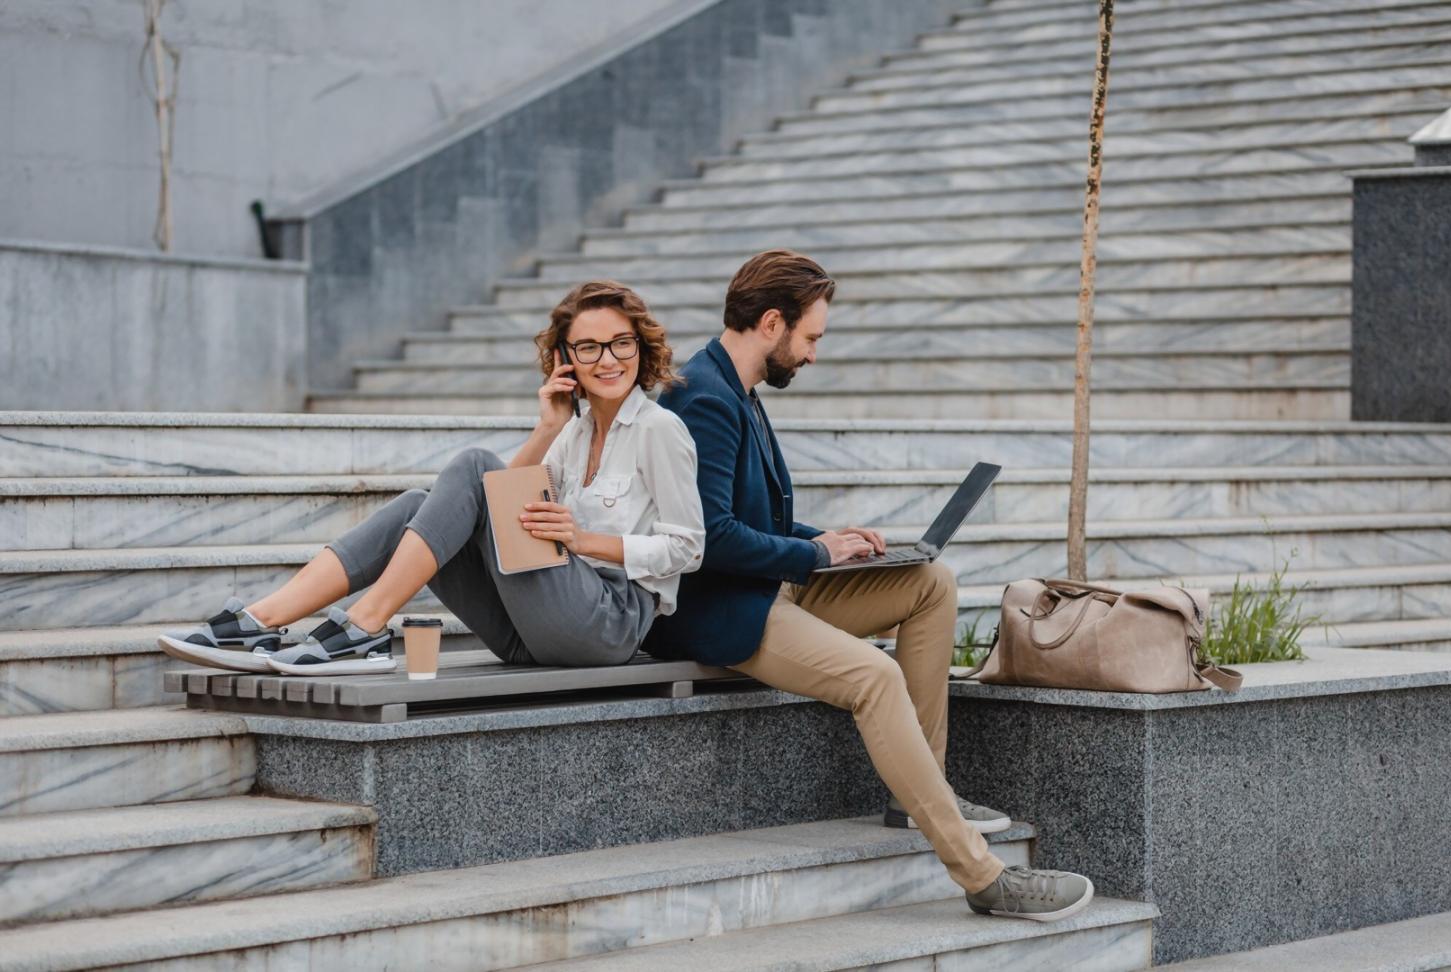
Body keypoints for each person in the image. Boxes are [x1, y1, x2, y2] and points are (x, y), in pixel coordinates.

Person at [642, 249, 1095, 922]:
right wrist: (811, 553)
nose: (814, 355)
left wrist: (836, 543)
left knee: (929, 582)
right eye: (812, 337)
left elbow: (749, 517)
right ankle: (982, 877)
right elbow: (709, 540)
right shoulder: (704, 397)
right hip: (723, 611)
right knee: (874, 679)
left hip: (765, 584)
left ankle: (923, 792)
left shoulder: (734, 387)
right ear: (772, 323)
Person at [159, 281, 704, 675]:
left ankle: (364, 626)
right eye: (589, 347)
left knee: (472, 464)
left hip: (607, 623)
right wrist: (547, 428)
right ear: (566, 360)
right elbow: (493, 512)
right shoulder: (572, 434)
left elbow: (689, 548)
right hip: (529, 632)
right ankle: (264, 617)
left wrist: (585, 542)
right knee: (419, 505)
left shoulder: (659, 429)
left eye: (621, 343)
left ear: (641, 347)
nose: (608, 359)